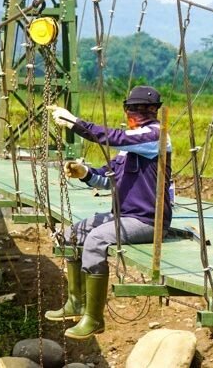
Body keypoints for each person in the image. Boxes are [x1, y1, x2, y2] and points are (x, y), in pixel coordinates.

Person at [44, 86, 172, 339]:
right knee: (72, 234)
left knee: (95, 240)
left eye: (143, 110)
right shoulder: (130, 147)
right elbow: (107, 179)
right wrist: (85, 173)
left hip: (147, 220)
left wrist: (75, 123)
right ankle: (76, 302)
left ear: (155, 111)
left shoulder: (155, 136)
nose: (136, 114)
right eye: (132, 109)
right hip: (122, 215)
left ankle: (94, 318)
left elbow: (114, 137)